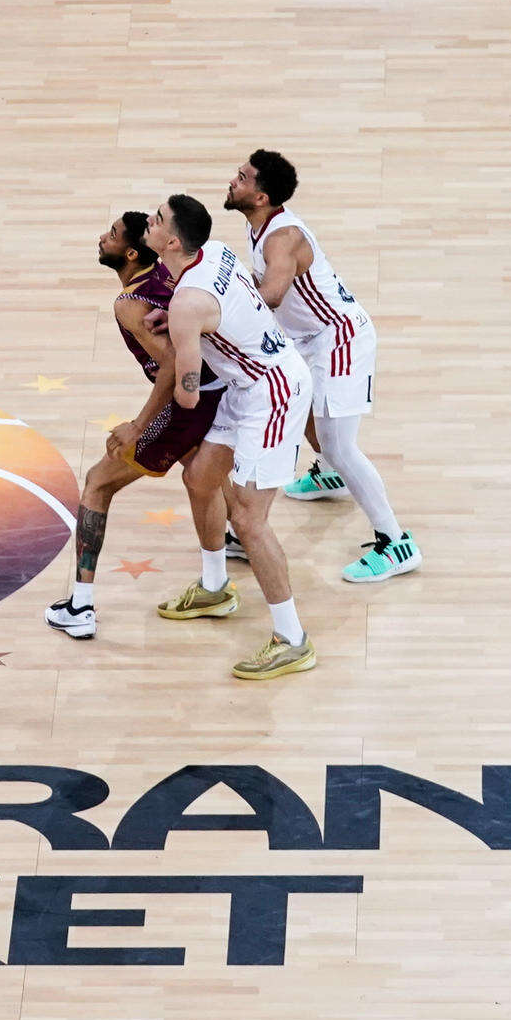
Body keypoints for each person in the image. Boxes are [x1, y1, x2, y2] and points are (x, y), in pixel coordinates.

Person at [145, 192, 317, 680]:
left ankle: (292, 639)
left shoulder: (186, 303)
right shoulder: (216, 251)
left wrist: (174, 343)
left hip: (275, 390)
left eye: (156, 220)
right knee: (201, 479)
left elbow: (190, 398)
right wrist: (188, 329)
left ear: (172, 241)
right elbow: (229, 306)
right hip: (252, 382)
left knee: (249, 518)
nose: (150, 222)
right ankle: (216, 587)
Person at [224, 148, 415, 582]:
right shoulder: (263, 227)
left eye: (242, 177)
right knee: (307, 414)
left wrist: (221, 294)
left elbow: (270, 296)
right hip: (309, 339)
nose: (233, 180)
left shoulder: (281, 238)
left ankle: (395, 541)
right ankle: (332, 476)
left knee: (341, 445)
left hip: (339, 339)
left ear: (261, 197)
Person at [44, 211, 224, 640]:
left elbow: (172, 365)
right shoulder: (166, 271)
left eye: (110, 235)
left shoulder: (131, 303)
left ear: (128, 253)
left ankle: (81, 607)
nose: (100, 237)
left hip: (189, 398)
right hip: (221, 387)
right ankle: (224, 557)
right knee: (206, 478)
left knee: (97, 483)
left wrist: (140, 425)